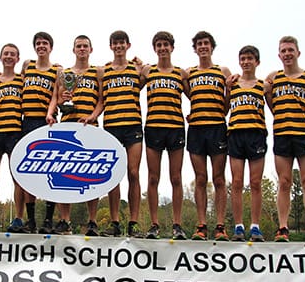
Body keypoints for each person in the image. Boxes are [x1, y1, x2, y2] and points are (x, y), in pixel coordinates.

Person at [266, 36, 305, 243]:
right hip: (282, 134)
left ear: (298, 53)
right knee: (284, 183)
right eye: (283, 51)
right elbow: (261, 92)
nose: (287, 54)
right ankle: (283, 228)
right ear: (279, 55)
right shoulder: (273, 77)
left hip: (304, 134)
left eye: (290, 50)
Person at [47, 35, 104, 235]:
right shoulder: (64, 73)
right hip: (67, 125)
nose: (82, 49)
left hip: (90, 126)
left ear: (91, 49)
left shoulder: (98, 72)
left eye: (85, 46)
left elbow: (101, 100)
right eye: (78, 46)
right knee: (64, 173)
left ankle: (92, 221)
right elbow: (57, 98)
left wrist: (92, 116)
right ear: (73, 50)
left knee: (90, 174)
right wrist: (56, 107)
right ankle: (65, 220)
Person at [140, 31, 190, 240]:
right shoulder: (147, 71)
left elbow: (194, 96)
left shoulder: (181, 73)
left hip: (175, 127)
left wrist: (194, 113)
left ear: (172, 48)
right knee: (153, 178)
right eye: (159, 45)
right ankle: (154, 224)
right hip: (153, 127)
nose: (162, 48)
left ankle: (177, 225)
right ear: (155, 49)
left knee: (176, 178)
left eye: (165, 45)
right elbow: (132, 89)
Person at [186, 31, 231, 241]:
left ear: (212, 47)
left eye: (206, 43)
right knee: (200, 178)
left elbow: (228, 101)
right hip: (196, 129)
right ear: (195, 49)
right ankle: (202, 224)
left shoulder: (223, 71)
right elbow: (189, 94)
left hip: (217, 127)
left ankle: (220, 225)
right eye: (199, 44)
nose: (203, 47)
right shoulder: (189, 73)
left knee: (219, 178)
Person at [99, 30, 145, 237]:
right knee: (113, 176)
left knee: (133, 173)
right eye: (115, 43)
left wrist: (142, 65)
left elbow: (149, 79)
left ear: (128, 45)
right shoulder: (103, 71)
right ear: (111, 46)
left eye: (121, 43)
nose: (118, 46)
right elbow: (101, 99)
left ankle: (133, 222)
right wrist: (92, 116)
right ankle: (115, 222)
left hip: (133, 125)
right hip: (111, 126)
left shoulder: (138, 69)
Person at [226, 45, 267, 242]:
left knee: (256, 182)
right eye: (242, 58)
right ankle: (239, 226)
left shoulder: (264, 85)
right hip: (235, 134)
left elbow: (276, 107)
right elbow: (224, 107)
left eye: (250, 58)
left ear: (257, 61)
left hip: (256, 134)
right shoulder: (232, 84)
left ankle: (256, 227)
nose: (246, 62)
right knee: (236, 182)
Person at [21, 32, 60, 234]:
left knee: (51, 170)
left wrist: (50, 113)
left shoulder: (57, 70)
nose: (41, 46)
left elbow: (56, 95)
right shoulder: (27, 65)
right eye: (38, 43)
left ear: (51, 47)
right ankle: (31, 220)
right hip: (26, 122)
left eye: (45, 43)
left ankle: (48, 219)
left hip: (47, 122)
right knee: (30, 171)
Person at [0, 44, 26, 233]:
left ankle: (18, 217)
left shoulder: (22, 80)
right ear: (1, 57)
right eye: (6, 54)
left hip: (15, 131)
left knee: (18, 177)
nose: (9, 57)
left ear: (17, 59)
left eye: (12, 54)